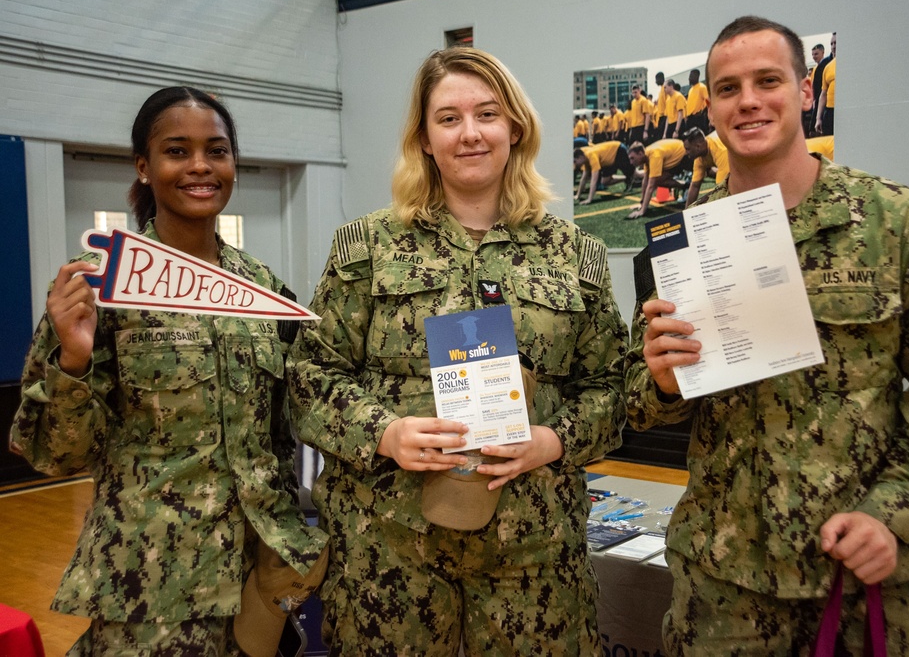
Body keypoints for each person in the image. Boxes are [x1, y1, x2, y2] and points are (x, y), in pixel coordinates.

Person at [625, 16, 909, 655]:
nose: (750, 101)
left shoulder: (902, 224)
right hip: (725, 586)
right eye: (729, 87)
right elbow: (636, 401)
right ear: (710, 106)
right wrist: (659, 380)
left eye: (768, 80)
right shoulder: (679, 243)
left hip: (868, 575)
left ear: (803, 91)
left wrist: (891, 514)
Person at [288, 47, 627, 656]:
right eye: (448, 118)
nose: (470, 133)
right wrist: (384, 432)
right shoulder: (367, 248)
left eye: (487, 114)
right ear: (423, 137)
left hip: (535, 560)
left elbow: (612, 387)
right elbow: (311, 376)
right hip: (388, 554)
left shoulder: (574, 255)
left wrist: (554, 440)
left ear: (514, 127)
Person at [9, 86, 328, 655]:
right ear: (144, 165)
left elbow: (295, 422)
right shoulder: (99, 284)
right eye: (177, 151)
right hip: (152, 587)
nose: (201, 166)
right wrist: (73, 361)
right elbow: (55, 454)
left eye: (217, 150)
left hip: (259, 580)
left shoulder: (261, 288)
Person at [624, 139, 687, 219]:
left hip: (683, 154)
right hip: (673, 156)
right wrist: (642, 203)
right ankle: (686, 185)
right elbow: (645, 181)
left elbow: (651, 186)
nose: (631, 162)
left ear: (640, 154)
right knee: (656, 180)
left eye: (632, 158)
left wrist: (642, 210)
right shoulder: (646, 155)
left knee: (656, 180)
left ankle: (686, 186)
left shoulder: (654, 155)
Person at [681, 127, 729, 206]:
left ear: (698, 147)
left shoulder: (720, 151)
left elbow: (720, 190)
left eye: (688, 149)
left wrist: (698, 204)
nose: (686, 152)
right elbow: (695, 186)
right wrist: (687, 211)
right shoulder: (699, 158)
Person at [684, 68, 709, 134]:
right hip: (690, 119)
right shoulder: (690, 90)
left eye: (691, 76)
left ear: (697, 76)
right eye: (689, 76)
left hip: (698, 118)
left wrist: (703, 112)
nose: (689, 78)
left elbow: (709, 101)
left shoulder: (702, 87)